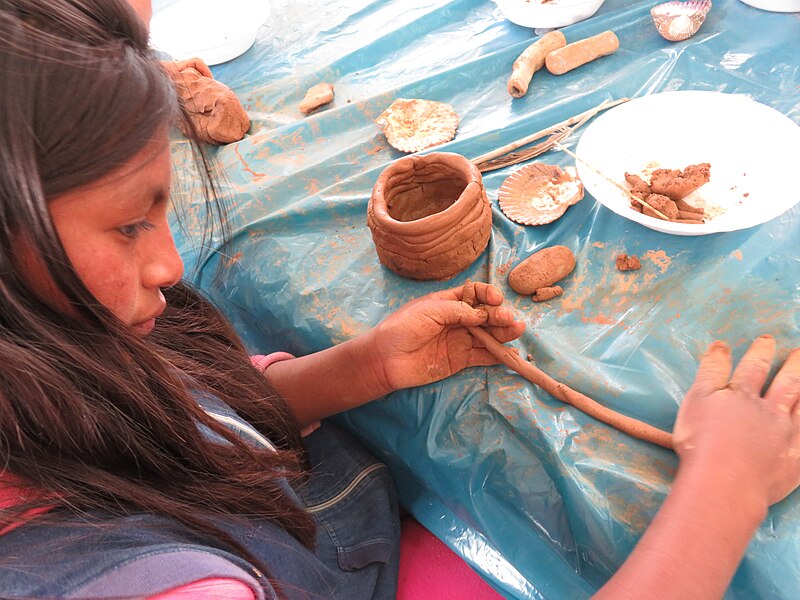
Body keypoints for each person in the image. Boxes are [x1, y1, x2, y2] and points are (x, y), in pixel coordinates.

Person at [0, 2, 798, 599]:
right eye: (130, 225)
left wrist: (361, 368)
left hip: (304, 520)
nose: (173, 267)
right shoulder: (149, 583)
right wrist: (726, 487)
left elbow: (194, 420)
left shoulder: (56, 360)